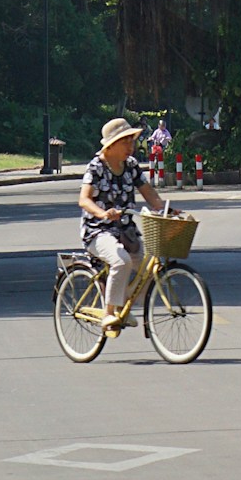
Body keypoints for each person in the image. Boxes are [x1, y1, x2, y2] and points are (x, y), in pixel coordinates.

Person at [78, 117, 152, 334]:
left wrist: (167, 210)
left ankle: (122, 304)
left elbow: (150, 194)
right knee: (121, 261)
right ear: (110, 146)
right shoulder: (96, 167)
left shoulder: (131, 167)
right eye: (125, 142)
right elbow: (84, 199)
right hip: (98, 231)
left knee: (147, 271)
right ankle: (110, 312)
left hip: (126, 232)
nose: (131, 147)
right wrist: (103, 214)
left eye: (131, 141)